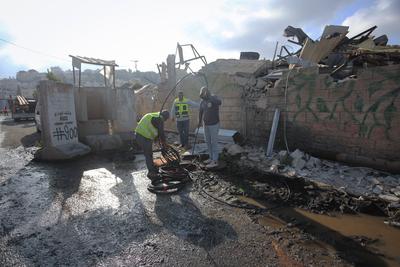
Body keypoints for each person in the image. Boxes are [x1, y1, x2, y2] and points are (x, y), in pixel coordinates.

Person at [135, 110, 169, 181]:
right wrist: (164, 143)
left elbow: (154, 129)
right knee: (148, 154)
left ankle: (152, 169)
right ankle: (151, 172)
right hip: (143, 137)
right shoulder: (159, 119)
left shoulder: (153, 115)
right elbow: (161, 132)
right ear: (165, 118)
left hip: (139, 135)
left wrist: (157, 139)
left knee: (149, 153)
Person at [198, 86, 221, 168]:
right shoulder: (202, 101)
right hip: (206, 124)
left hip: (214, 124)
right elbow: (200, 112)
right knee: (207, 141)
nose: (203, 97)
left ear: (207, 92)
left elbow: (219, 102)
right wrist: (199, 121)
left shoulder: (213, 97)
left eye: (204, 94)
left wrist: (210, 97)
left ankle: (215, 161)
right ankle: (211, 157)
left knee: (213, 142)